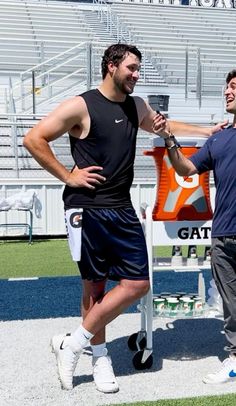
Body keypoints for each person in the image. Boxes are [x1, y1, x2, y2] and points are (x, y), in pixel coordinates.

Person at [23, 43, 225, 393]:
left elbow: (162, 124)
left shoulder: (136, 106)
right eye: (131, 68)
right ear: (111, 66)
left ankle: (73, 342)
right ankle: (100, 357)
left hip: (121, 206)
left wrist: (206, 132)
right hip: (86, 208)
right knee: (95, 286)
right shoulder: (80, 105)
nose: (136, 74)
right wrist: (68, 176)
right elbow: (33, 138)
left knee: (138, 283)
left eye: (138, 69)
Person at [153, 69, 236, 384]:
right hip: (224, 234)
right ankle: (235, 360)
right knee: (232, 304)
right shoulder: (219, 139)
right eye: (226, 87)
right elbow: (185, 168)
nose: (227, 92)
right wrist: (169, 138)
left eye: (234, 87)